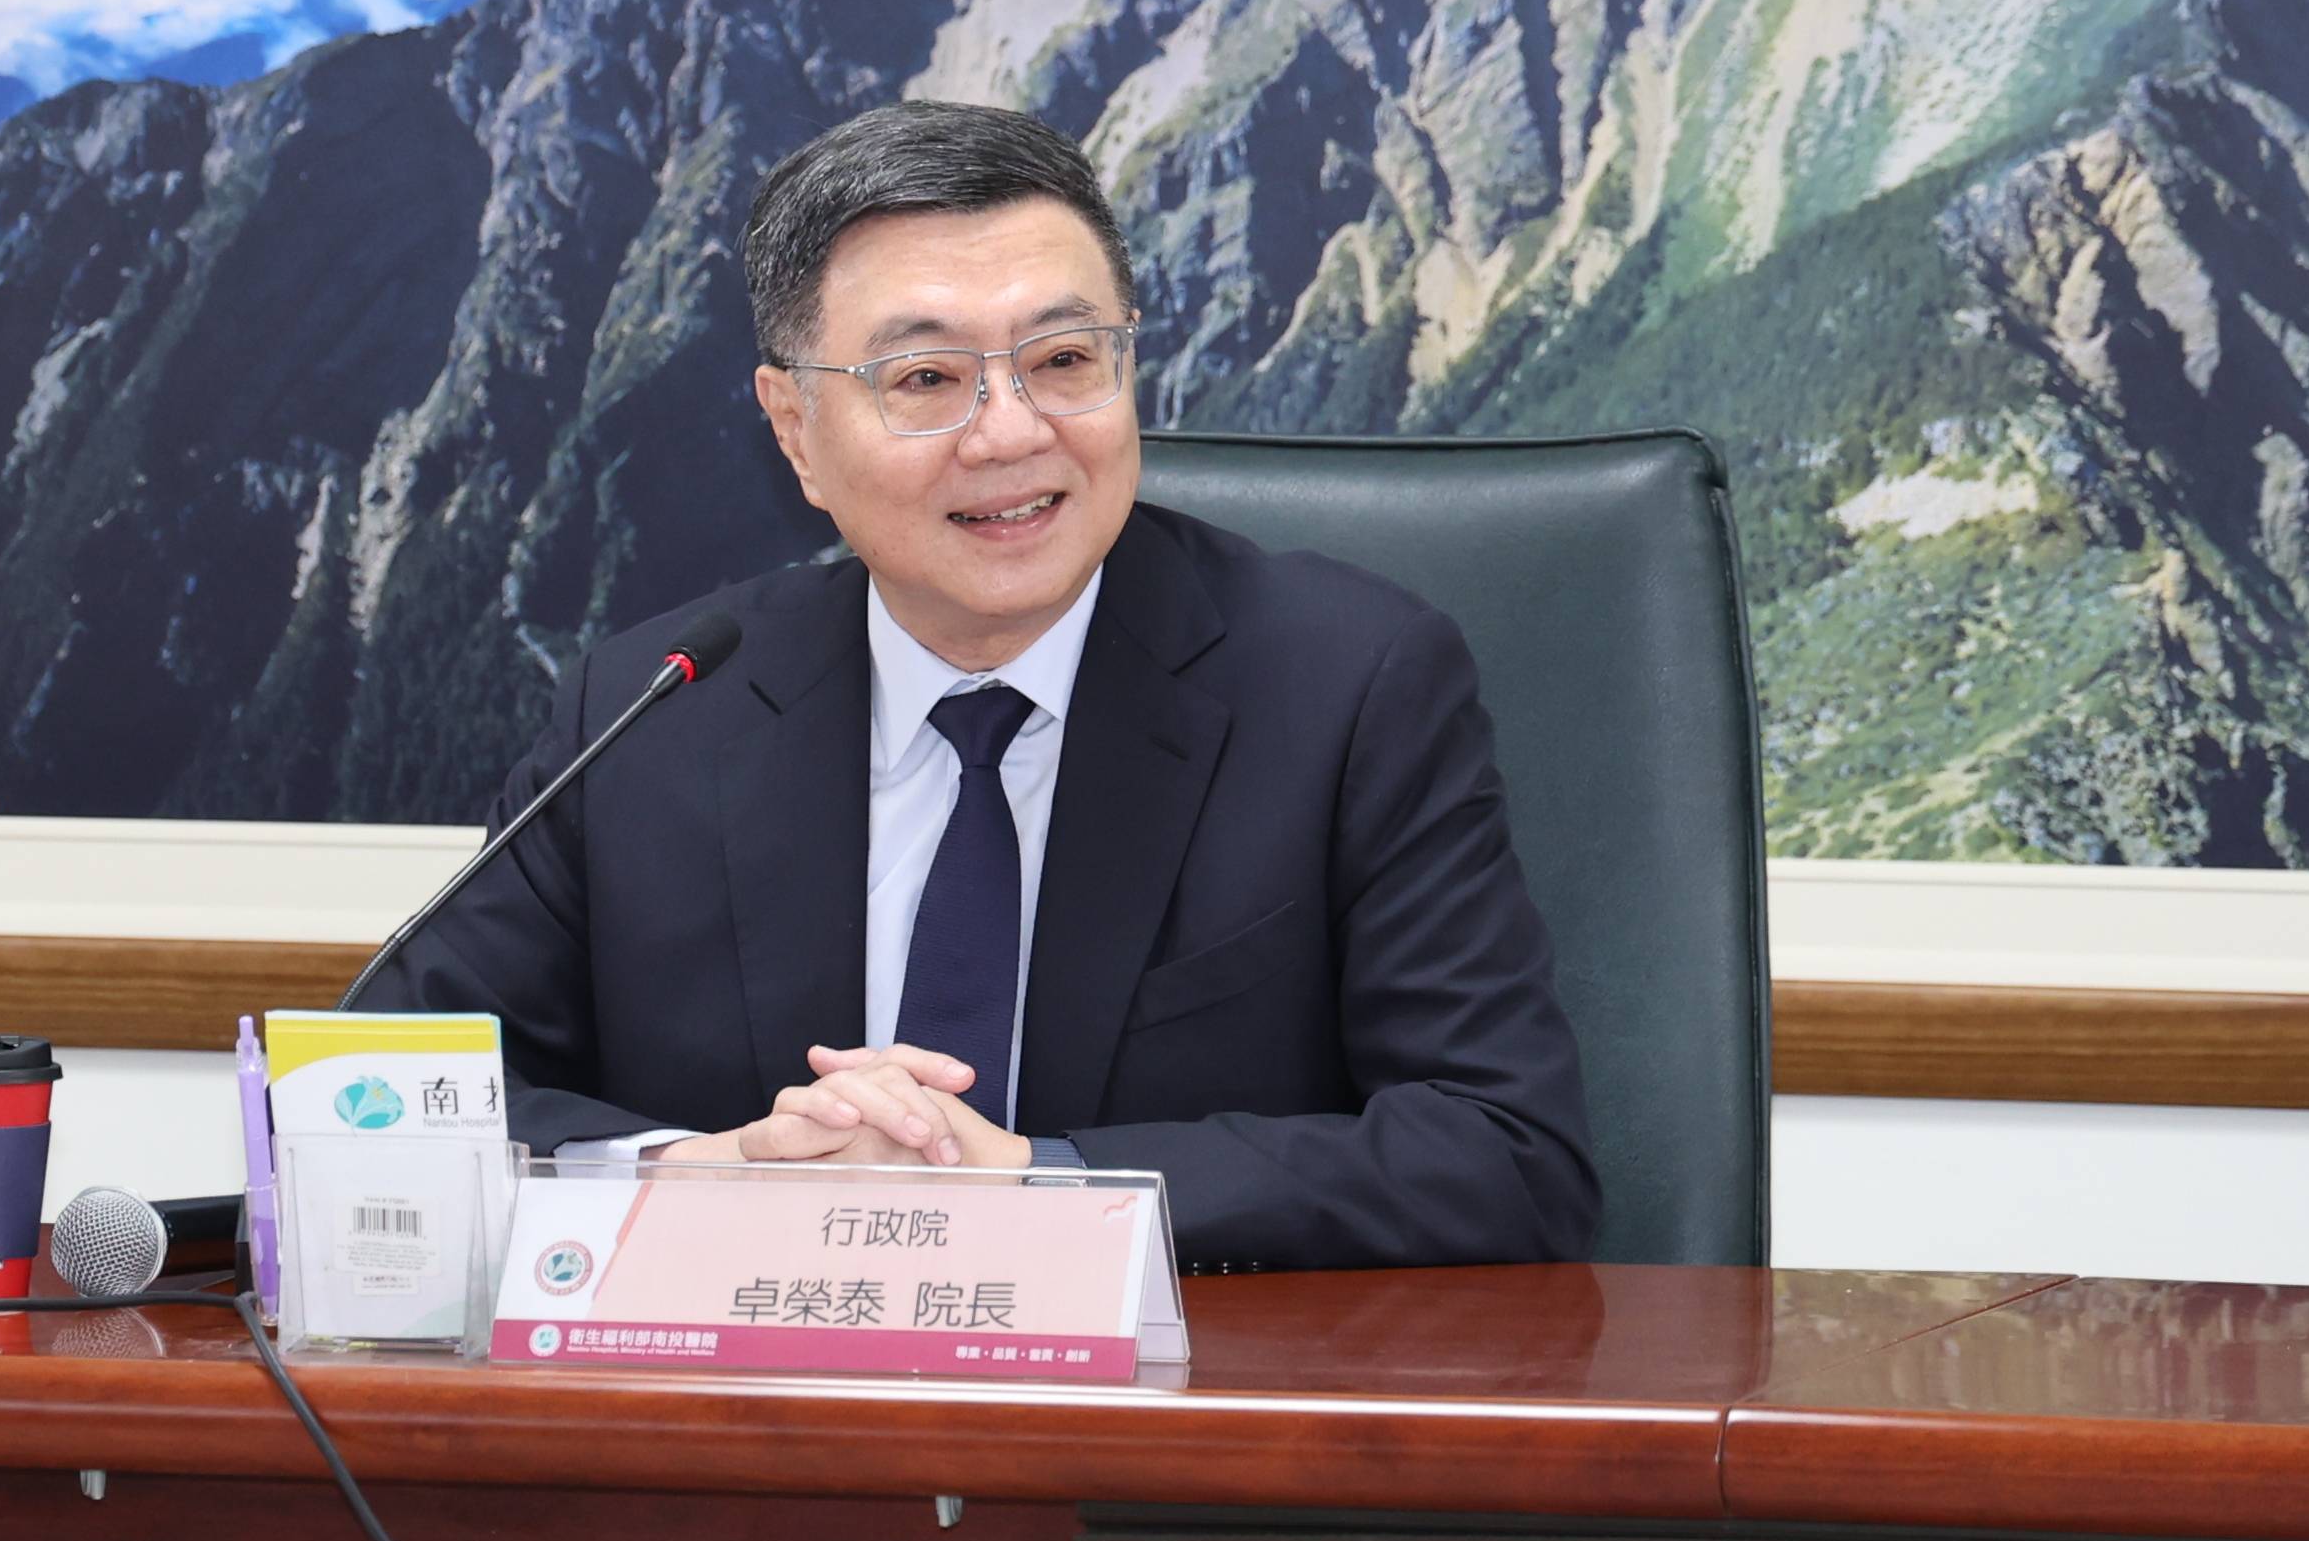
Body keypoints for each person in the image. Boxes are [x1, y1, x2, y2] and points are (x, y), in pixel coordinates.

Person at [383, 100, 1600, 1269]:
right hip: (761, 1444)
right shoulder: (658, 708)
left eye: (1065, 359)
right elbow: (376, 1086)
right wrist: (687, 1178)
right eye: (925, 380)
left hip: (1163, 1450)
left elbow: (1503, 1152)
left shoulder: (1349, 686)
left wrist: (1039, 1184)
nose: (1011, 431)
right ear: (796, 430)